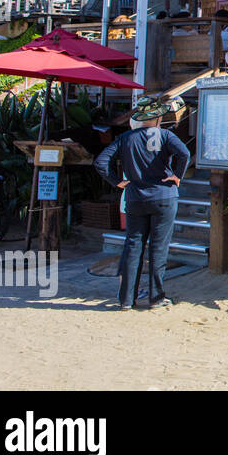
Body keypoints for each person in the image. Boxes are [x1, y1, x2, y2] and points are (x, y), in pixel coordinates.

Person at [94, 96, 190, 311]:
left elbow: (100, 162)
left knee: (133, 246)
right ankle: (156, 298)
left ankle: (127, 299)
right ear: (158, 118)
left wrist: (117, 181)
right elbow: (184, 153)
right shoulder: (165, 135)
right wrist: (177, 176)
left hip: (135, 197)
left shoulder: (126, 138)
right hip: (163, 196)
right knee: (158, 248)